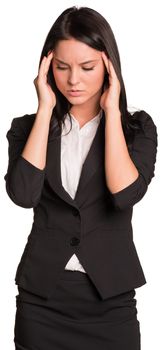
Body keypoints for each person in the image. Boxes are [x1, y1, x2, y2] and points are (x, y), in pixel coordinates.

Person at [4, 6, 158, 350]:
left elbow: (124, 194)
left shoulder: (137, 128)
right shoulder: (27, 128)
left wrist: (112, 112)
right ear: (47, 68)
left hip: (110, 301)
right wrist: (45, 109)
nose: (74, 80)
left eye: (87, 67)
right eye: (62, 67)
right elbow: (23, 194)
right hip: (41, 301)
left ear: (108, 66)